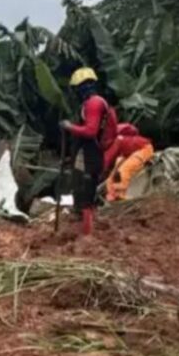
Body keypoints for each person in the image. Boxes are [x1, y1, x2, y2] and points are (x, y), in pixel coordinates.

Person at [60, 67, 119, 236]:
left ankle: (86, 234)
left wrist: (69, 127)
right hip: (89, 153)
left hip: (90, 154)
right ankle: (84, 229)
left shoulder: (93, 104)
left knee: (85, 192)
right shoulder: (93, 103)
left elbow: (91, 131)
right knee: (83, 191)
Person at [106, 123, 155, 202]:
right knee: (111, 177)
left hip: (144, 149)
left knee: (124, 169)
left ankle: (123, 193)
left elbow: (108, 157)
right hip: (130, 152)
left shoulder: (118, 140)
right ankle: (119, 194)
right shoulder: (118, 139)